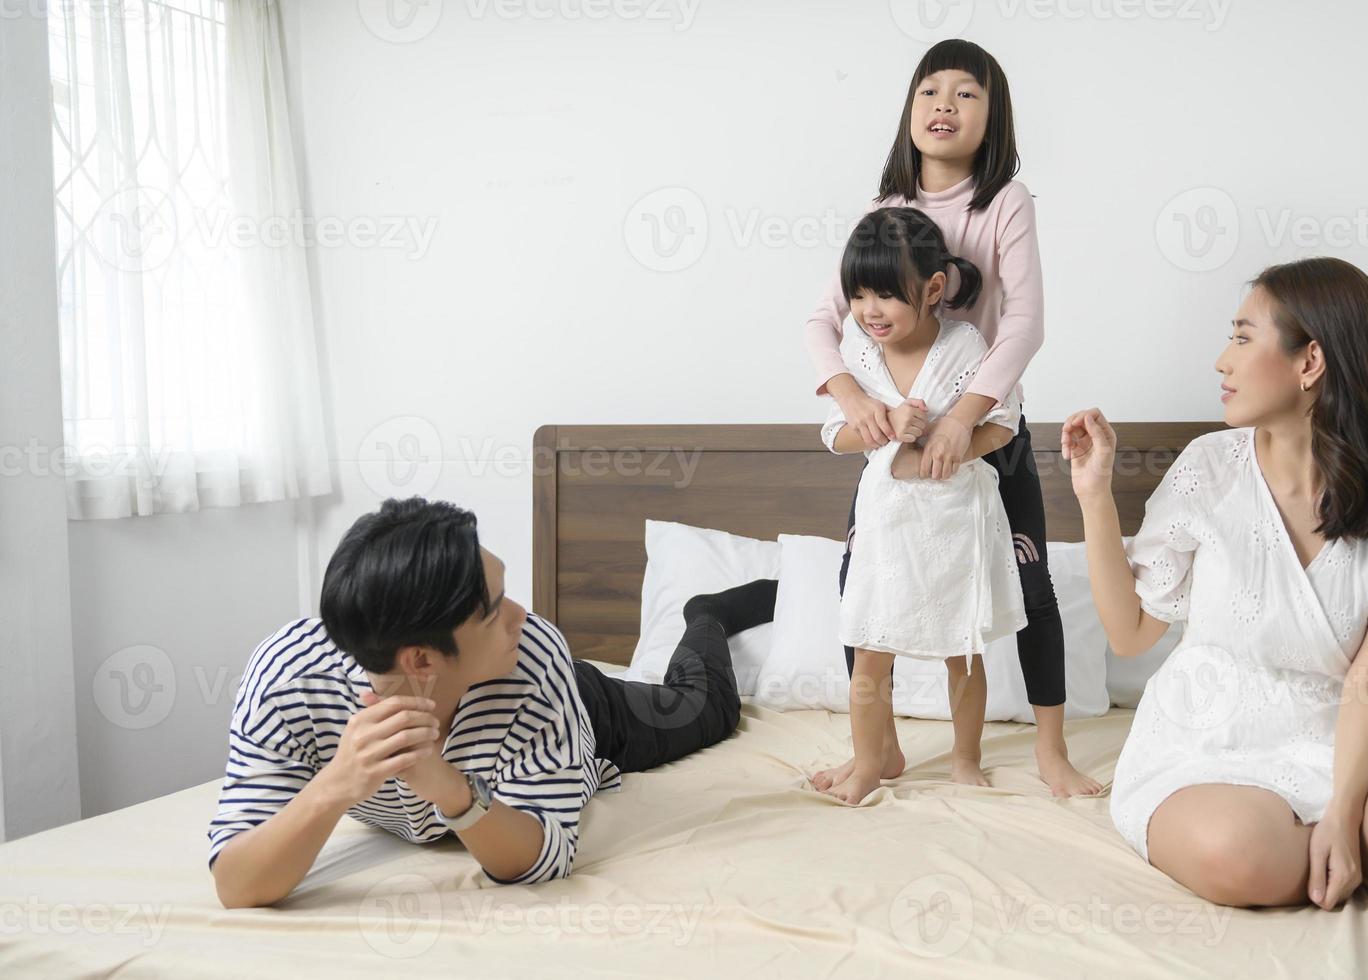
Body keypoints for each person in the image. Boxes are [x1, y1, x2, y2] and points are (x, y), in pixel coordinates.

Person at [1065, 257, 1368, 979]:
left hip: (1338, 731)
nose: (1220, 361)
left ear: (1310, 361)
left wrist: (1347, 816)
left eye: (1241, 337)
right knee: (1242, 856)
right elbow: (1132, 632)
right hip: (1205, 732)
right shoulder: (1209, 467)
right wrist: (1095, 497)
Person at [205, 497, 765, 908]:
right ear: (421, 660)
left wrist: (446, 787)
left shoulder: (534, 649)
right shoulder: (289, 681)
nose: (522, 614)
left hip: (580, 706)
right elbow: (237, 883)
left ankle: (707, 614)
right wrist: (338, 783)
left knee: (707, 708)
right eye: (495, 611)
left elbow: (542, 857)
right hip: (492, 709)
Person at [812, 207, 1027, 805]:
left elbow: (1004, 423)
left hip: (957, 520)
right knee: (869, 652)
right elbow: (836, 435)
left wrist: (955, 445)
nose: (870, 310)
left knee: (963, 650)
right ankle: (871, 761)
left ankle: (965, 759)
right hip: (888, 523)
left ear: (934, 289)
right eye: (857, 295)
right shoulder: (855, 354)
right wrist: (882, 426)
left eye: (886, 294)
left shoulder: (965, 345)